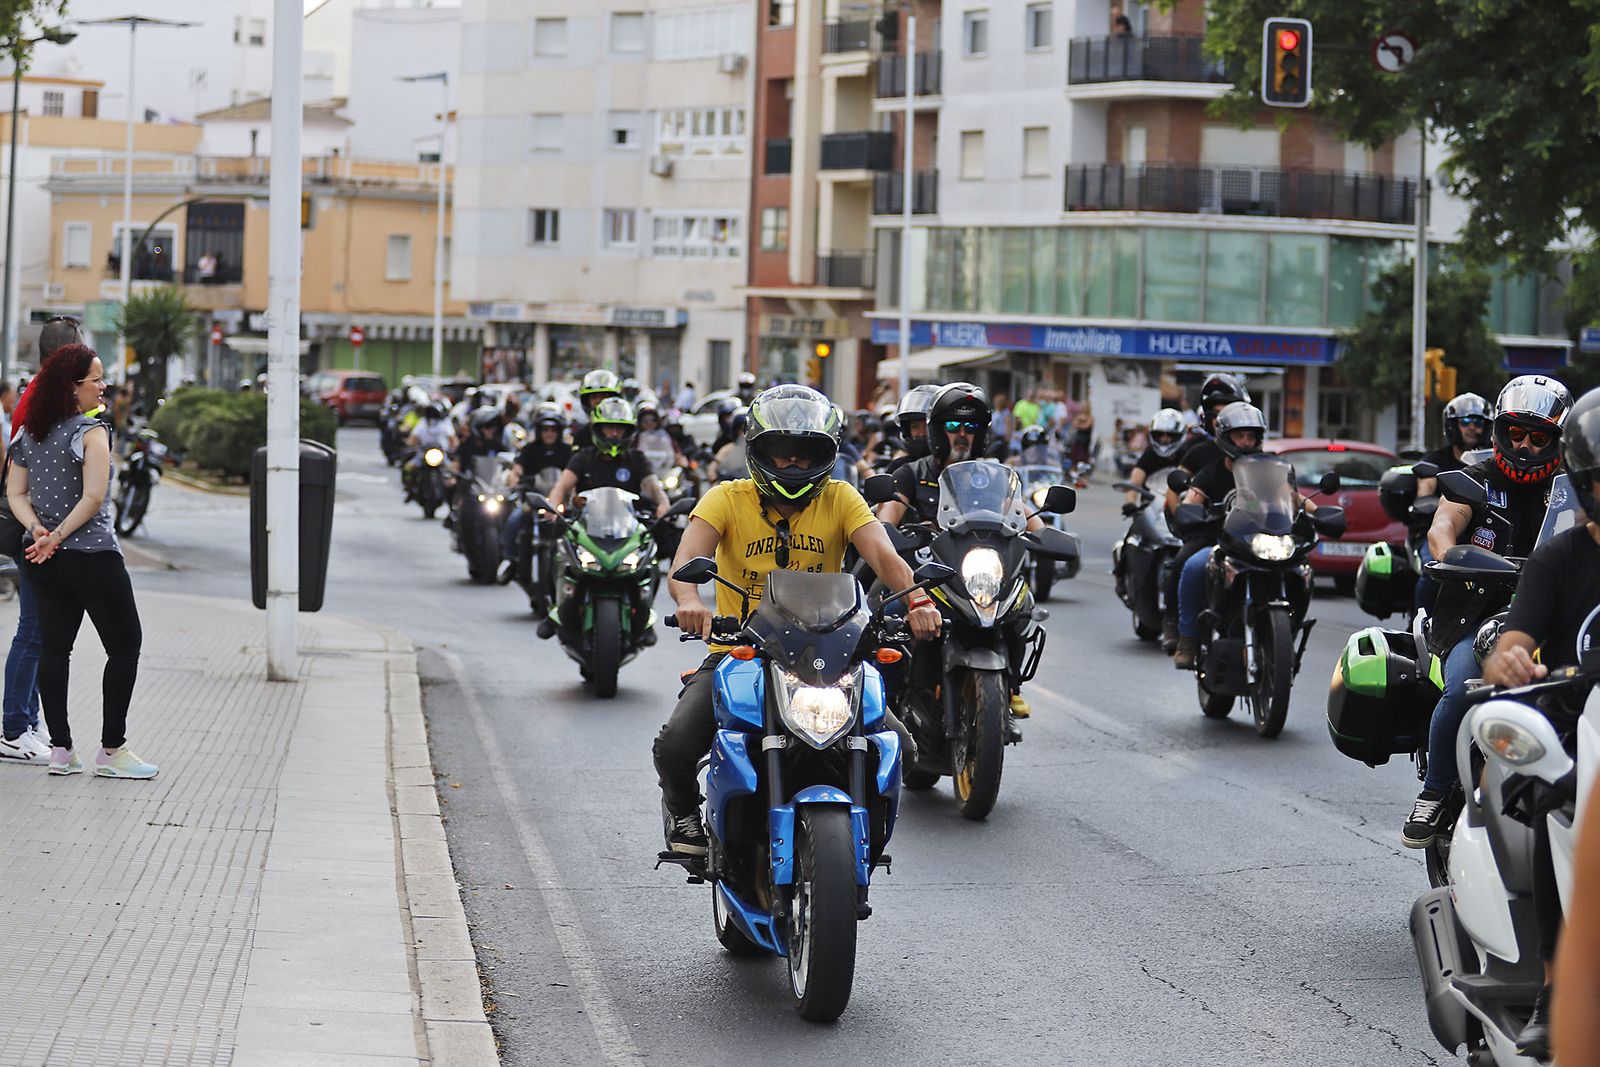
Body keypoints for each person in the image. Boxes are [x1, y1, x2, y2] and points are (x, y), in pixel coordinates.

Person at [651, 384, 942, 854]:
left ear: (826, 455)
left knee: (901, 750)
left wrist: (919, 602)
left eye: (805, 454)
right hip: (740, 652)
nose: (792, 464)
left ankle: (861, 835)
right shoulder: (725, 498)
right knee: (675, 746)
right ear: (757, 450)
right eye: (781, 452)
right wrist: (691, 602)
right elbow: (684, 564)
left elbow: (885, 557)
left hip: (827, 653)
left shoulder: (842, 498)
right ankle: (684, 816)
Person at [1472, 385, 1600, 1059]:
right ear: (1585, 480)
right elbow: (1514, 641)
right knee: (1557, 816)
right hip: (1579, 731)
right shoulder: (1560, 559)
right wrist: (1510, 660)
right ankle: (1554, 988)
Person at [1403, 375, 1574, 851]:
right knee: (1463, 687)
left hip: (1554, 616)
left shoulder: (1573, 488)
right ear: (1500, 431)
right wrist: (1448, 553)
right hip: (1480, 613)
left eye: (1538, 437)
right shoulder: (1475, 478)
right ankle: (1434, 792)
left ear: (1558, 440)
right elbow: (1444, 523)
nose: (1524, 445)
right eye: (1515, 433)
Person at [5, 344, 155, 779]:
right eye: (97, 379)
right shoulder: (92, 433)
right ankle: (112, 750)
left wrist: (38, 531)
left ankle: (60, 750)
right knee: (125, 646)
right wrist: (54, 536)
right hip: (94, 558)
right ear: (73, 387)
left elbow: (15, 493)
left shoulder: (27, 433)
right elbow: (93, 498)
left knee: (55, 650)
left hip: (44, 561)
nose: (103, 386)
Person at [875, 382, 1045, 722]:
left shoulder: (992, 476)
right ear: (938, 430)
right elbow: (886, 518)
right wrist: (889, 531)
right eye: (954, 425)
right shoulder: (912, 473)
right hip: (923, 572)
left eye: (972, 426)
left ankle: (1010, 687)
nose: (963, 433)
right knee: (887, 611)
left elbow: (1029, 519)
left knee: (1022, 604)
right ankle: (885, 702)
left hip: (976, 572)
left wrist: (1045, 535)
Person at [1172, 402, 1315, 670]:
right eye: (1240, 436)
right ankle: (1187, 638)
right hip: (1219, 541)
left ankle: (1289, 627)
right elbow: (1192, 498)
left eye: (1251, 436)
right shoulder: (1212, 471)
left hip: (1259, 541)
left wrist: (1318, 513)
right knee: (1192, 566)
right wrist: (1189, 510)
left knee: (1301, 569)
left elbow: (1292, 497)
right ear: (1225, 436)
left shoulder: (1270, 470)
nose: (1246, 442)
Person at [0, 316, 80, 763]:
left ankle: (27, 722)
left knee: (40, 628)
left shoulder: (38, 394)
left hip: (38, 523)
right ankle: (14, 728)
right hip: (35, 525)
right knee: (33, 629)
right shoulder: (42, 401)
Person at [1159, 373, 1253, 652]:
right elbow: (1175, 490)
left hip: (1252, 536)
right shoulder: (1199, 452)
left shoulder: (1257, 456)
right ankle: (1175, 624)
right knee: (1184, 563)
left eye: (1228, 410)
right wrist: (1185, 518)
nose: (1221, 418)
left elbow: (1283, 492)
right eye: (1216, 413)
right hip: (1209, 532)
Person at [1412, 392, 1492, 610]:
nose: (1472, 427)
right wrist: (1426, 501)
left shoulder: (1492, 462)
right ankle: (1422, 621)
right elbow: (1425, 490)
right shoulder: (1436, 460)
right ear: (1452, 426)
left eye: (1478, 422)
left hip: (1483, 531)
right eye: (1465, 421)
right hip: (1438, 529)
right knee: (1433, 570)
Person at [498, 403, 573, 587]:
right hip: (533, 502)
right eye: (545, 429)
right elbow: (517, 470)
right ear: (539, 430)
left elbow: (575, 474)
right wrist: (514, 479)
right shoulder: (529, 449)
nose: (549, 433)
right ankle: (511, 560)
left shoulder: (568, 451)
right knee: (513, 520)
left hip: (559, 504)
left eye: (553, 429)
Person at [1123, 408, 1187, 507]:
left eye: (1170, 435)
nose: (1164, 439)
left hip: (1179, 507)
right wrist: (1130, 503)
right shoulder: (1149, 454)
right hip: (1150, 508)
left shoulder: (1188, 455)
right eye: (1159, 434)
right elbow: (1135, 482)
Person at [402, 403, 455, 500]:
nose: (432, 419)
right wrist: (410, 443)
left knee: (452, 474)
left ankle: (451, 498)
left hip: (441, 454)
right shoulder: (422, 423)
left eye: (434, 415)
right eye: (430, 415)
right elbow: (413, 438)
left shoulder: (445, 424)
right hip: (423, 453)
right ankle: (410, 489)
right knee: (408, 467)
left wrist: (454, 447)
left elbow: (453, 439)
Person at [885, 384, 940, 473]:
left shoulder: (953, 465)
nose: (921, 433)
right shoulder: (899, 467)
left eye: (926, 426)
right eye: (915, 427)